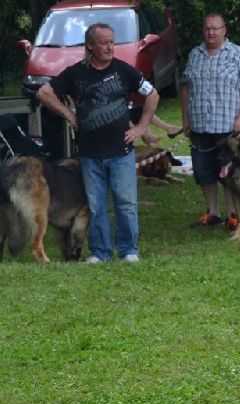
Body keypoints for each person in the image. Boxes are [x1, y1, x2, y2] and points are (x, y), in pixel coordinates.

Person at [37, 22, 158, 264]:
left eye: (112, 42)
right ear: (90, 45)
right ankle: (100, 252)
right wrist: (70, 115)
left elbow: (152, 94)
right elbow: (43, 93)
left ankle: (128, 250)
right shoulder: (75, 73)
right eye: (104, 43)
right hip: (90, 153)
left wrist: (142, 127)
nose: (110, 47)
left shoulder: (125, 70)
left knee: (126, 203)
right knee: (96, 204)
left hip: (121, 151)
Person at [180, 13, 240, 230]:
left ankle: (233, 215)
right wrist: (186, 118)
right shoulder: (194, 55)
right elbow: (185, 86)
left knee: (230, 172)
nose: (211, 33)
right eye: (207, 29)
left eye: (215, 28)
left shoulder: (237, 54)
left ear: (224, 30)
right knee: (203, 171)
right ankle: (212, 212)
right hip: (200, 125)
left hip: (228, 127)